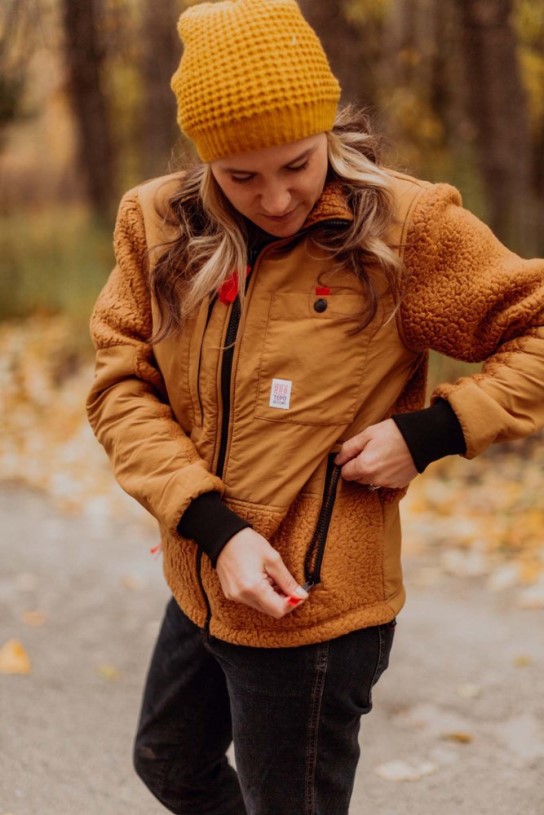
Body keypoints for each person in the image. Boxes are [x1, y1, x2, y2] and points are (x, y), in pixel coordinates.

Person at [86, 1, 544, 813]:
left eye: (298, 164)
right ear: (205, 162)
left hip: (314, 610)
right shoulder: (156, 224)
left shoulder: (403, 229)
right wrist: (213, 529)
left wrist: (434, 430)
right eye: (241, 176)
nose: (275, 198)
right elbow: (122, 386)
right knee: (170, 762)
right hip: (205, 569)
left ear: (329, 131)